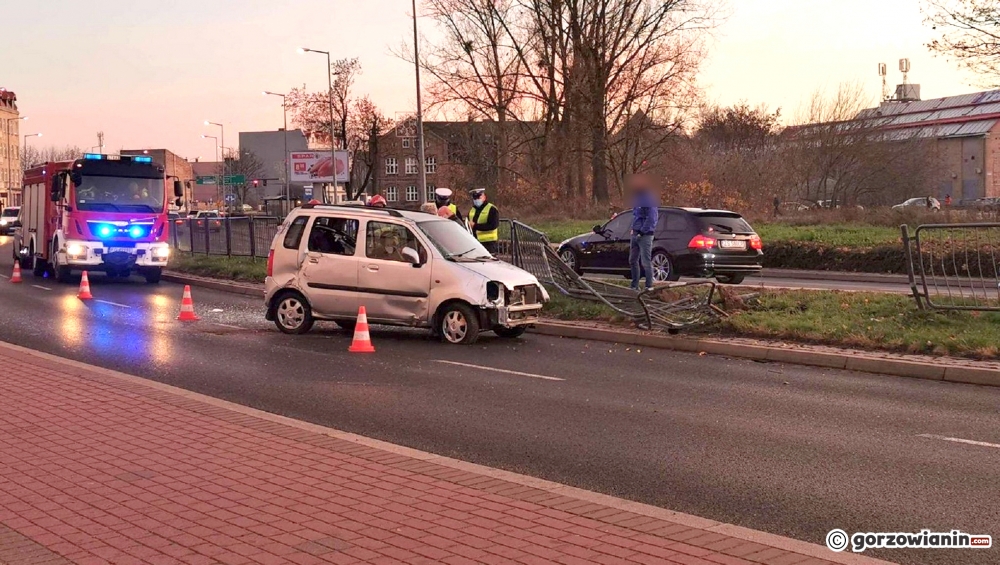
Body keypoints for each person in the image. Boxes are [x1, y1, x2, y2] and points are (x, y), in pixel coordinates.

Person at [628, 175, 659, 291]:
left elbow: (651, 217)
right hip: (635, 233)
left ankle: (648, 286)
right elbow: (636, 215)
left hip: (645, 235)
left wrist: (642, 231)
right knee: (632, 260)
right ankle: (634, 285)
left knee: (646, 261)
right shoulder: (637, 197)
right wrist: (633, 229)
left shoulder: (649, 198)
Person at [467, 188, 500, 254]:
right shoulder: (472, 210)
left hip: (489, 244)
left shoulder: (492, 209)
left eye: (479, 197)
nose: (476, 200)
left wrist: (475, 226)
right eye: (475, 198)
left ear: (484, 197)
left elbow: (493, 225)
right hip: (475, 242)